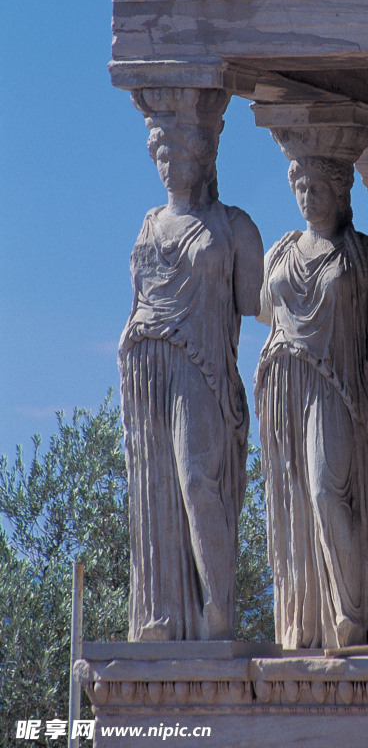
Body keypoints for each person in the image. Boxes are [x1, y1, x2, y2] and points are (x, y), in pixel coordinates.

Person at [119, 102, 263, 641]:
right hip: (146, 362)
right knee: (154, 485)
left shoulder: (234, 228)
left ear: (204, 156)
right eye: (160, 153)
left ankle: (220, 609)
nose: (167, 163)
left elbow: (256, 304)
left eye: (177, 151)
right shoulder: (149, 224)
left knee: (198, 478)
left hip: (202, 368)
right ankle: (164, 615)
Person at [255, 153, 368, 649]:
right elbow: (256, 308)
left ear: (340, 192)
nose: (307, 198)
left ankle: (352, 611)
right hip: (284, 384)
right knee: (292, 499)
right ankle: (307, 624)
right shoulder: (280, 252)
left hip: (337, 388)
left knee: (324, 492)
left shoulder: (364, 257)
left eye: (318, 188)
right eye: (301, 187)